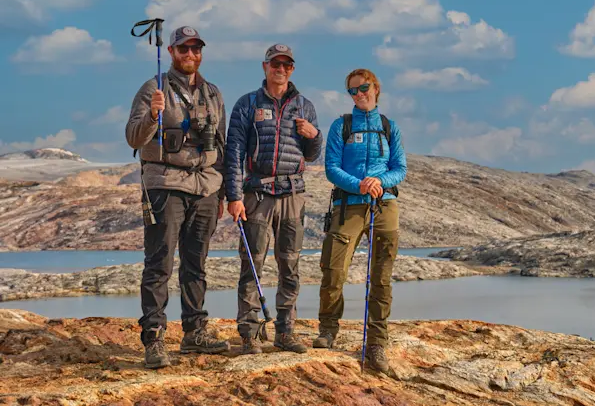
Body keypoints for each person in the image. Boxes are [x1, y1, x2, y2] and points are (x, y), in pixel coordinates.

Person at [125, 25, 230, 369]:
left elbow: (224, 145)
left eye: (195, 49)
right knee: (159, 264)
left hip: (206, 188)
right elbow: (133, 138)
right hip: (165, 185)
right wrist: (154, 115)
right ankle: (154, 338)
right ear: (171, 52)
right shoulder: (153, 89)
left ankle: (194, 331)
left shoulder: (213, 92)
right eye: (183, 49)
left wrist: (226, 191)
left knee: (196, 264)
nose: (190, 55)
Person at [225, 43, 324, 355]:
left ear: (292, 69)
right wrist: (234, 195)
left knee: (290, 265)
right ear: (265, 66)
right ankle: (250, 333)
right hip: (257, 195)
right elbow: (234, 152)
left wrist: (314, 135)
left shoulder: (304, 105)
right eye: (275, 64)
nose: (281, 69)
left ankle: (285, 330)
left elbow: (312, 154)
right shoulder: (248, 103)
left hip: (292, 195)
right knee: (252, 264)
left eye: (286, 65)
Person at [313, 68, 407, 373]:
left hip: (384, 205)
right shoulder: (342, 125)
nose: (358, 95)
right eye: (352, 91)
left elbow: (400, 168)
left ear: (376, 88)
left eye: (363, 88)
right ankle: (328, 329)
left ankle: (377, 342)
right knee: (334, 270)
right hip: (348, 206)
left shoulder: (390, 127)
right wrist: (359, 184)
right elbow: (331, 168)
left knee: (381, 277)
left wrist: (378, 181)